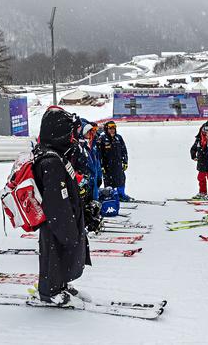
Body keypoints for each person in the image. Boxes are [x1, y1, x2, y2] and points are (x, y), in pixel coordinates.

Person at [32, 106, 91, 306]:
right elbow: (55, 201)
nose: (72, 137)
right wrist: (67, 228)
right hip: (56, 220)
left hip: (63, 217)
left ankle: (61, 284)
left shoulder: (56, 154)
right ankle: (50, 291)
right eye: (69, 132)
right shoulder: (51, 161)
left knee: (61, 254)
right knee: (53, 253)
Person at [98, 121, 133, 201]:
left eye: (114, 128)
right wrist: (101, 165)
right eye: (110, 128)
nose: (112, 130)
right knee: (109, 181)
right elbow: (99, 154)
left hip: (118, 164)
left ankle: (121, 194)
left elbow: (124, 150)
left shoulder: (119, 138)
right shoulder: (102, 139)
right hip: (107, 165)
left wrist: (125, 161)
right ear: (106, 129)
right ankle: (110, 196)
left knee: (121, 179)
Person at [190, 125, 208, 199]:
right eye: (203, 131)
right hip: (201, 164)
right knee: (200, 178)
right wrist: (194, 156)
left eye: (206, 131)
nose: (205, 132)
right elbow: (193, 149)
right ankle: (202, 192)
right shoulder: (198, 139)